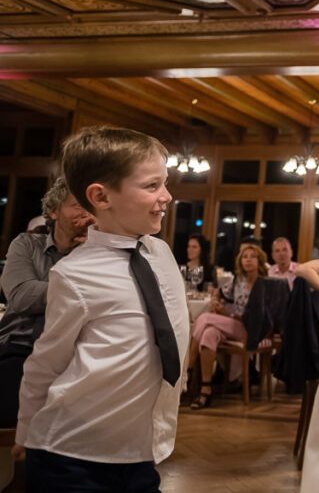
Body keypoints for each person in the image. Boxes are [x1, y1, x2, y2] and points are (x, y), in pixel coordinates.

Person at [16, 127, 188, 491]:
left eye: (166, 183)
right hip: (71, 453)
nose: (167, 196)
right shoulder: (75, 272)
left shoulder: (162, 255)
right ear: (100, 196)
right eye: (152, 185)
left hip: (138, 448)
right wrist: (25, 432)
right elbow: (47, 363)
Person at [0, 178, 93, 428]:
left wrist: (87, 258)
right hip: (19, 347)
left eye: (92, 208)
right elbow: (20, 296)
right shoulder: (27, 245)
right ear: (54, 210)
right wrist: (84, 290)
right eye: (79, 206)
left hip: (74, 357)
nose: (89, 215)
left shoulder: (98, 256)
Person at [187, 243, 269, 409]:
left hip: (252, 330)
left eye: (252, 256)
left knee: (204, 318)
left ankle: (187, 370)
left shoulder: (265, 283)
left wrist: (228, 315)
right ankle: (206, 388)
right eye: (245, 257)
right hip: (235, 326)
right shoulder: (238, 281)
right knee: (208, 333)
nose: (248, 260)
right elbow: (218, 294)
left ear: (259, 260)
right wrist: (217, 303)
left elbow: (257, 318)